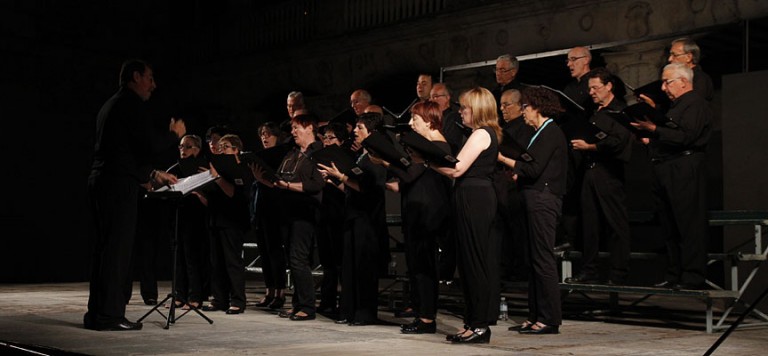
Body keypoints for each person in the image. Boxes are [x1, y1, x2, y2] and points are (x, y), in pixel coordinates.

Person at [85, 59, 185, 331]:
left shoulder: (112, 104)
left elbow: (124, 150)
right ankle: (110, 316)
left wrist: (150, 175)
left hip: (105, 181)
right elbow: (148, 144)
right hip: (117, 186)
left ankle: (97, 313)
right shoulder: (130, 103)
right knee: (117, 253)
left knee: (106, 251)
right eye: (150, 78)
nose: (153, 85)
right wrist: (174, 135)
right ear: (135, 76)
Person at [371, 101, 452, 334]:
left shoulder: (437, 145)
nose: (410, 124)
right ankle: (421, 314)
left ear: (429, 120)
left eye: (414, 119)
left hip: (429, 216)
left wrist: (385, 161)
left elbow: (409, 175)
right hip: (418, 213)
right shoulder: (426, 145)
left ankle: (427, 318)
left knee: (425, 268)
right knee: (417, 267)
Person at [632, 62, 712, 290]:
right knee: (669, 224)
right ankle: (675, 273)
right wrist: (651, 139)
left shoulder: (695, 103)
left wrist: (654, 130)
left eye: (668, 82)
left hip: (685, 167)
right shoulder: (674, 106)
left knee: (688, 223)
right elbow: (672, 135)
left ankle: (692, 276)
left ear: (684, 82)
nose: (664, 87)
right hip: (668, 167)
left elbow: (686, 136)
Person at [431, 87, 501, 344]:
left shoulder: (482, 133)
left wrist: (428, 161)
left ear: (479, 110)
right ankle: (472, 323)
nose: (460, 111)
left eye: (465, 108)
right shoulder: (477, 133)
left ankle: (480, 326)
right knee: (468, 263)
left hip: (476, 198)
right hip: (471, 196)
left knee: (475, 263)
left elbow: (457, 169)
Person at [500, 86, 567, 335]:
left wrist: (503, 158)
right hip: (534, 198)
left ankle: (549, 319)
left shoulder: (551, 131)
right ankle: (535, 315)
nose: (524, 112)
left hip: (544, 199)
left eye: (526, 107)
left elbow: (533, 169)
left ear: (536, 107)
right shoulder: (537, 133)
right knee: (533, 260)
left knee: (543, 259)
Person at [318, 112, 389, 326]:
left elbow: (368, 189)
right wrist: (334, 180)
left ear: (371, 132)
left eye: (359, 128)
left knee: (364, 268)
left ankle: (364, 313)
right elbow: (352, 189)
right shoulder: (361, 155)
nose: (355, 132)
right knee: (350, 267)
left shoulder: (376, 157)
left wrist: (340, 176)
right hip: (353, 215)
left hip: (367, 220)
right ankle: (349, 311)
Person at [254, 113, 325, 321]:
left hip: (305, 212)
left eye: (296, 128)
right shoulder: (292, 153)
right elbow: (281, 181)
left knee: (298, 259)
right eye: (292, 128)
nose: (292, 132)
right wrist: (264, 180)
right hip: (288, 212)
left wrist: (286, 186)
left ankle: (307, 307)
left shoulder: (318, 153)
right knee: (293, 261)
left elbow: (316, 185)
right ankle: (298, 304)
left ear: (310, 128)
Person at [566, 68, 633, 285]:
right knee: (590, 225)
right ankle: (589, 270)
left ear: (609, 86)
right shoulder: (595, 112)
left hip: (609, 172)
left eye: (595, 87)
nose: (592, 92)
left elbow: (619, 142)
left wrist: (591, 146)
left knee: (615, 224)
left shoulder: (620, 111)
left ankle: (619, 273)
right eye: (590, 89)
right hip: (590, 171)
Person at [202, 134, 252, 315]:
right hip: (216, 219)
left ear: (236, 149)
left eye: (226, 146)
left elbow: (232, 193)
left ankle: (238, 300)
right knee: (216, 262)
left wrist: (216, 178)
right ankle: (219, 299)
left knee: (232, 261)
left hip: (233, 221)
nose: (221, 149)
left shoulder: (242, 168)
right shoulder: (219, 168)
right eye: (220, 146)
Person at [495, 89, 534, 286]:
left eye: (507, 105)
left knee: (518, 229)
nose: (503, 109)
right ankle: (505, 268)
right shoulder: (502, 128)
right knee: (502, 230)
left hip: (517, 184)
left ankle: (520, 270)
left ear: (520, 106)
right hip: (502, 183)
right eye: (500, 105)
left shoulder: (526, 129)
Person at [250, 122, 290, 310]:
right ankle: (269, 291)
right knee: (264, 253)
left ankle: (280, 293)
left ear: (277, 136)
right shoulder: (261, 157)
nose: (265, 138)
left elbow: (280, 185)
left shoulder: (283, 155)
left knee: (275, 252)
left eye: (268, 134)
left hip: (276, 209)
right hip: (261, 210)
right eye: (262, 134)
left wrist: (262, 180)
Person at [168, 134, 209, 310]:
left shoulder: (203, 167)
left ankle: (195, 296)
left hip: (198, 216)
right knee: (179, 257)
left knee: (193, 257)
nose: (182, 150)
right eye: (181, 147)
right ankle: (179, 295)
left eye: (187, 146)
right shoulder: (176, 168)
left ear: (197, 149)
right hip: (180, 214)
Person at [315, 122, 351, 315]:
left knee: (340, 262)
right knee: (327, 262)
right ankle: (327, 302)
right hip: (324, 213)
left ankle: (344, 303)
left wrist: (331, 179)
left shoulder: (347, 159)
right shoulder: (320, 158)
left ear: (341, 141)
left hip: (340, 215)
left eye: (331, 138)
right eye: (325, 138)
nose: (327, 142)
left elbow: (350, 190)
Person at [667, 37, 714, 102]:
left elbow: (693, 105)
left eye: (674, 55)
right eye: (670, 55)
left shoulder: (699, 79)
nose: (669, 59)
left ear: (688, 57)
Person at [492, 54, 524, 126]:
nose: (498, 73)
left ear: (513, 72)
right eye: (496, 69)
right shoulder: (494, 92)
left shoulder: (521, 92)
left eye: (502, 70)